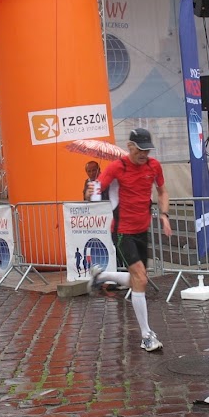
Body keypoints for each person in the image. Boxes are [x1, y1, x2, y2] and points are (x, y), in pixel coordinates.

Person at [86, 128, 172, 352]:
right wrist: (91, 191)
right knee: (140, 278)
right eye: (140, 149)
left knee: (139, 280)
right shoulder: (118, 167)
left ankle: (101, 276)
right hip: (122, 232)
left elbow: (162, 192)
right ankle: (146, 335)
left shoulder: (154, 166)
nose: (144, 154)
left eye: (147, 150)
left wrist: (164, 215)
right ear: (130, 146)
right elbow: (96, 191)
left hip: (142, 231)